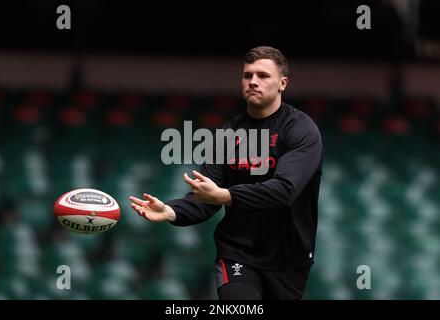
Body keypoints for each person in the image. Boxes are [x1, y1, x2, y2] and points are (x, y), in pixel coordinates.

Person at [129, 46, 322, 300]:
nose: (253, 81)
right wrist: (171, 211)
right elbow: (206, 199)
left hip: (288, 259)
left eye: (263, 76)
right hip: (238, 252)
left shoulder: (301, 130)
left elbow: (284, 191)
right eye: (247, 75)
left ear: (282, 83)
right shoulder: (229, 134)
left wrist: (225, 196)